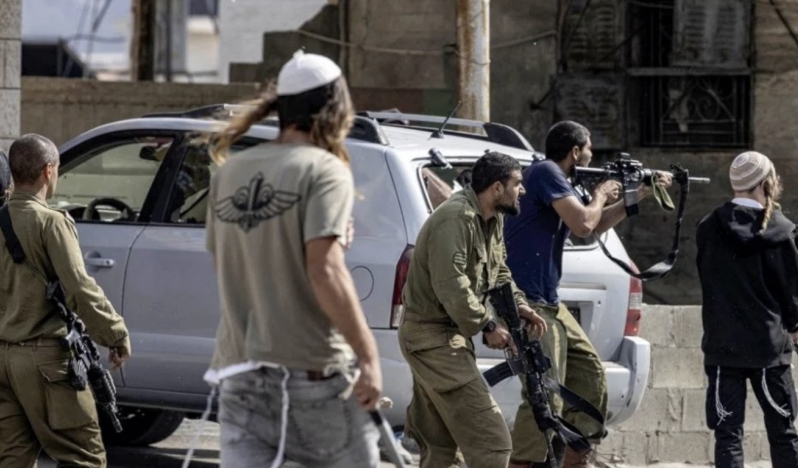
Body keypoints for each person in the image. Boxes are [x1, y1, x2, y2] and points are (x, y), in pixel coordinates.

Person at [202, 50, 382, 468]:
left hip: (238, 375)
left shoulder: (230, 171)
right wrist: (369, 357)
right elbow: (325, 270)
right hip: (310, 376)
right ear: (337, 107)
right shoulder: (324, 169)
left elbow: (229, 264)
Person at [503, 121, 672, 468]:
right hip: (528, 301)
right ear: (575, 152)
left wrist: (637, 194)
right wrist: (600, 193)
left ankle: (575, 458)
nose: (592, 155)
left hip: (549, 301)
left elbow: (592, 226)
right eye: (590, 149)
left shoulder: (561, 183)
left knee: (591, 377)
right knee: (544, 391)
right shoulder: (546, 171)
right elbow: (584, 223)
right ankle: (524, 462)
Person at [399, 150, 548, 468]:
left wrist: (520, 306)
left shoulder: (492, 218)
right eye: (517, 184)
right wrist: (487, 326)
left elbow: (500, 271)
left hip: (448, 337)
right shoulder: (456, 219)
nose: (522, 190)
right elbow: (450, 283)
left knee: (440, 447)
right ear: (497, 188)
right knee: (492, 443)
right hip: (431, 338)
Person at [0, 134, 131, 467]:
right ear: (48, 171)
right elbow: (80, 288)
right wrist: (114, 333)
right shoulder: (50, 222)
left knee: (13, 459)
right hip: (47, 362)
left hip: (4, 360)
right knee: (83, 457)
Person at [696, 151, 798, 467]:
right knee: (783, 432)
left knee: (728, 435)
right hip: (769, 348)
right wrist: (794, 328)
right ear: (768, 182)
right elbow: (791, 291)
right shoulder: (783, 231)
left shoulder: (708, 228)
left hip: (723, 347)